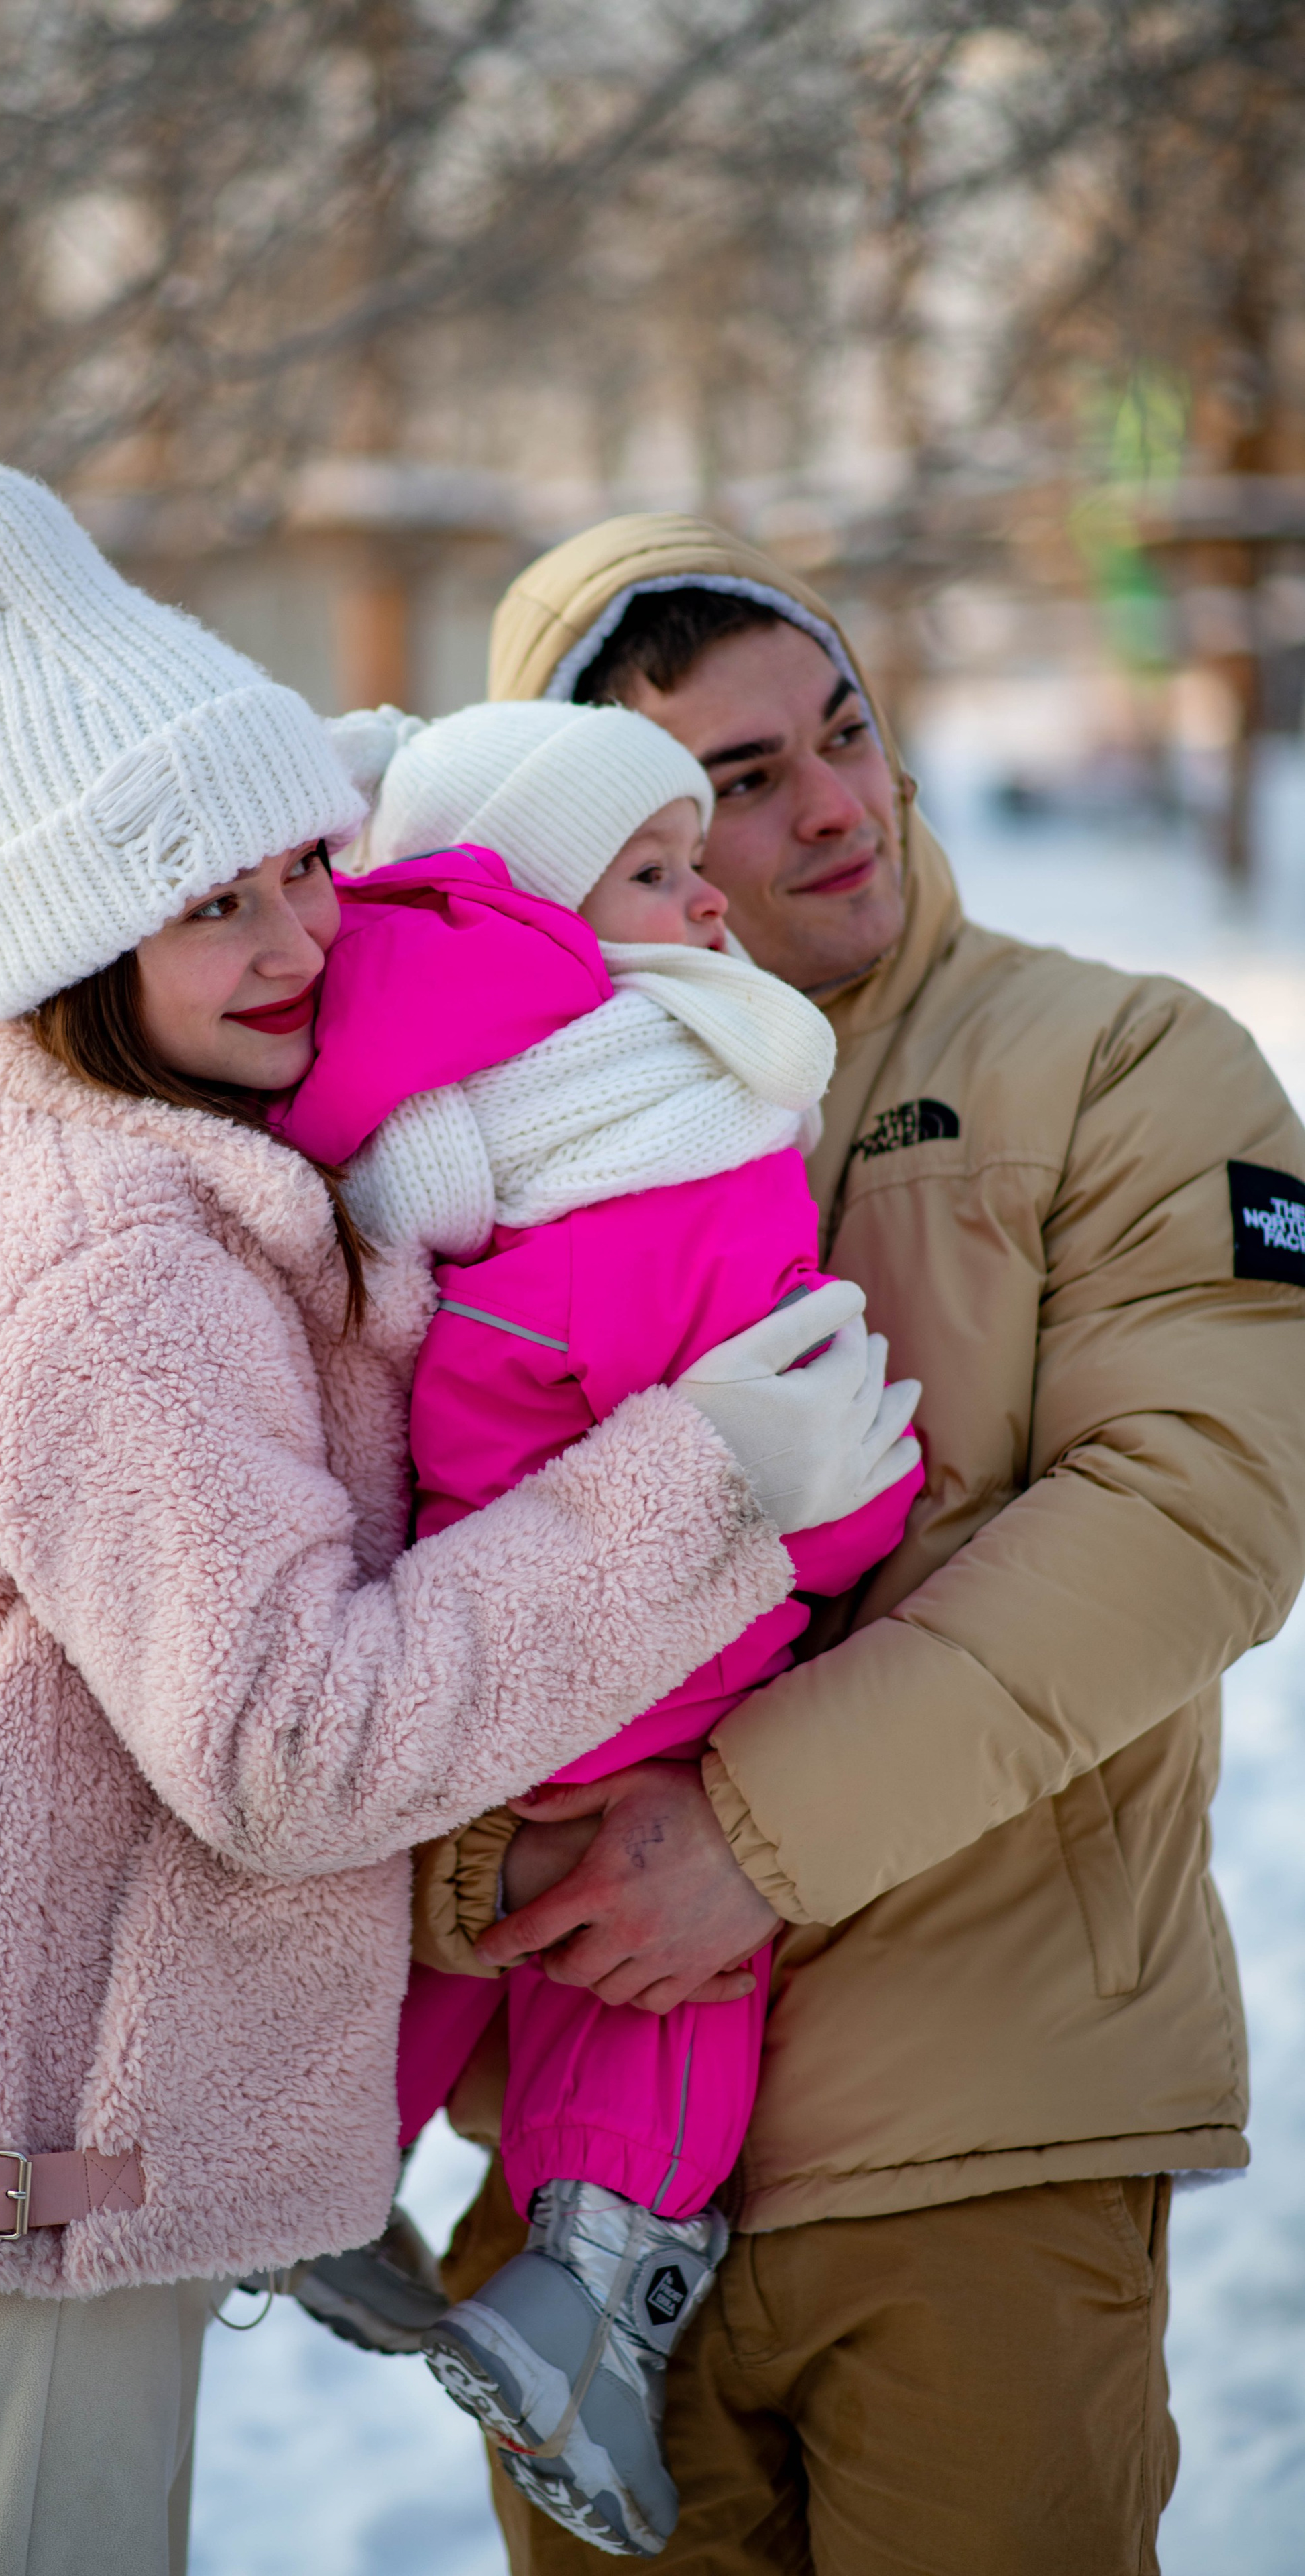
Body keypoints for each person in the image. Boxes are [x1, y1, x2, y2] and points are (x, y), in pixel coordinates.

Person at [0, 466, 900, 2576]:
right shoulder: (118, 1278)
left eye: (300, 868)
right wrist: (707, 1480)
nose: (292, 942)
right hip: (21, 2216)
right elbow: (297, 1751)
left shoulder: (70, 1148)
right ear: (77, 940)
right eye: (206, 904)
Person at [416, 515, 1305, 2575]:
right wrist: (496, 1882)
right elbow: (373, 1578)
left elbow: (1203, 1510)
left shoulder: (1118, 1061)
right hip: (581, 2198)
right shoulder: (460, 1155)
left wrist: (747, 1837)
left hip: (976, 2151)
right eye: (736, 783)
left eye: (845, 730)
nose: (836, 805)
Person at [271, 697, 923, 2557]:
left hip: (481, 1623)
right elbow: (777, 1386)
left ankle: (330, 2164)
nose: (705, 905)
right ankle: (585, 2287)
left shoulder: (445, 1138)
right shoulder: (682, 1108)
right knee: (661, 1961)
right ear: (543, 907)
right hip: (660, 1611)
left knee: (481, 1909)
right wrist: (850, 1518)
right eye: (652, 871)